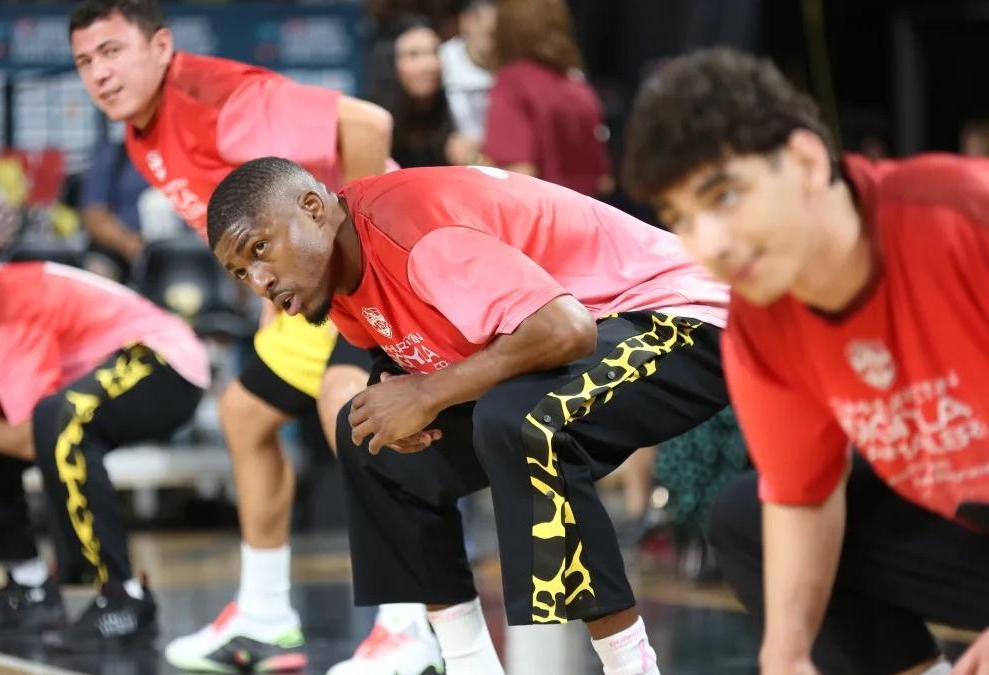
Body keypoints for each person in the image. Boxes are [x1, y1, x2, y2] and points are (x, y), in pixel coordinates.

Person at [206, 157, 731, 675]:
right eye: (241, 271)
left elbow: (565, 330)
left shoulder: (412, 231)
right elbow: (401, 361)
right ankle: (467, 663)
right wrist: (398, 396)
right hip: (583, 329)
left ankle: (631, 668)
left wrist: (429, 394)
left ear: (313, 207)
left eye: (260, 249)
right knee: (367, 436)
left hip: (680, 314)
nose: (260, 280)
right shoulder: (336, 276)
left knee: (518, 419)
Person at [67, 2, 442, 673]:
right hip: (310, 289)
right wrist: (274, 291)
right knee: (246, 413)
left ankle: (411, 628)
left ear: (160, 46)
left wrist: (361, 252)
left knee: (351, 417)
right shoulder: (138, 138)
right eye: (86, 61)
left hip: (370, 270)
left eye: (113, 51)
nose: (100, 73)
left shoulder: (219, 97)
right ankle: (267, 617)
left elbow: (368, 123)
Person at [621, 46, 989, 675]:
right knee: (749, 519)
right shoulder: (763, 323)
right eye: (682, 217)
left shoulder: (962, 217)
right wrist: (785, 655)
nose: (710, 243)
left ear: (806, 161)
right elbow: (803, 497)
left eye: (724, 195)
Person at [0, 225, 211, 651]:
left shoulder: (1, 312)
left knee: (59, 421)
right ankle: (28, 588)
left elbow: (32, 439)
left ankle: (125, 599)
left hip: (163, 361)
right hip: (98, 375)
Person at [483, 0, 612, 196]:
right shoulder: (579, 89)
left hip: (539, 218)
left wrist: (472, 158)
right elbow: (604, 181)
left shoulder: (512, 83)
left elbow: (517, 173)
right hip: (583, 219)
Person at [368, 15, 474, 168]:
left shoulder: (455, 110)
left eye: (434, 52)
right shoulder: (372, 121)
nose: (428, 65)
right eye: (413, 55)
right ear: (390, 64)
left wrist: (471, 158)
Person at [79, 140, 160, 282]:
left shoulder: (193, 157)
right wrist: (134, 248)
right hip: (123, 250)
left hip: (184, 248)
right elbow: (94, 217)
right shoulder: (114, 156)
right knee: (97, 273)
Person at [439, 0, 496, 147]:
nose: (496, 42)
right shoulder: (443, 59)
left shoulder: (515, 65)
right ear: (466, 22)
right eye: (490, 33)